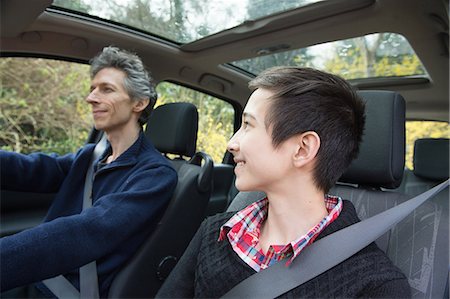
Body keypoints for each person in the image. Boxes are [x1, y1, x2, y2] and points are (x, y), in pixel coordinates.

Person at [156, 66, 411, 298]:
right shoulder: (214, 232)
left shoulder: (375, 285)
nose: (231, 143)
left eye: (247, 125)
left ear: (302, 149)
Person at [0, 46, 177, 297]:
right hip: (40, 281)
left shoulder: (156, 175)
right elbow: (32, 169)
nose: (91, 98)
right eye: (92, 89)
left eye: (107, 89)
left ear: (139, 102)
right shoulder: (91, 156)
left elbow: (86, 231)